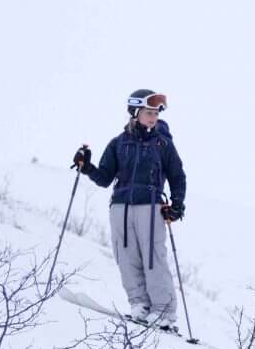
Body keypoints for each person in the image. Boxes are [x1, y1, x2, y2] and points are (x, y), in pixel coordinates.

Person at [71, 89, 186, 331]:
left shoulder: (162, 143)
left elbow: (177, 175)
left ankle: (163, 312)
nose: (153, 117)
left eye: (155, 113)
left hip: (151, 205)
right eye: (148, 112)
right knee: (126, 257)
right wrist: (86, 166)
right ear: (135, 113)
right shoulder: (118, 143)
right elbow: (104, 178)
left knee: (153, 258)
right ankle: (140, 306)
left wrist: (177, 205)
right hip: (121, 207)